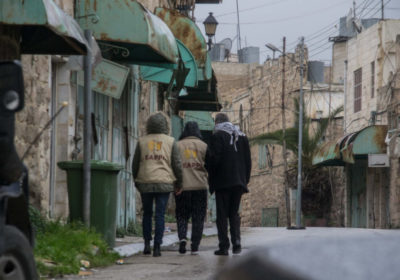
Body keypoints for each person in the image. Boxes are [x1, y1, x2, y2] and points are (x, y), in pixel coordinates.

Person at [132, 112, 183, 257]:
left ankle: (147, 244)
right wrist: (179, 183)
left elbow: (135, 164)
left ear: (149, 125)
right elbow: (177, 164)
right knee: (160, 215)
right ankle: (157, 247)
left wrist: (136, 179)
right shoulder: (171, 141)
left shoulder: (141, 141)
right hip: (164, 183)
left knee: (147, 214)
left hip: (145, 182)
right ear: (166, 125)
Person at [205, 113, 251, 256]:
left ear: (217, 122)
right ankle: (237, 242)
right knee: (234, 213)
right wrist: (245, 180)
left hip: (223, 182)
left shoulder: (217, 136)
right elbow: (248, 161)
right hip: (238, 182)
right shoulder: (242, 136)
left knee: (222, 215)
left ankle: (224, 246)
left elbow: (214, 160)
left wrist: (210, 173)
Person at [175, 122, 209, 255]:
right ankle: (195, 244)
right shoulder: (204, 146)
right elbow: (209, 165)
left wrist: (175, 184)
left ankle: (182, 239)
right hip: (199, 186)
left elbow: (174, 166)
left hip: (182, 187)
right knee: (198, 216)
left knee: (182, 215)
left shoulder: (177, 146)